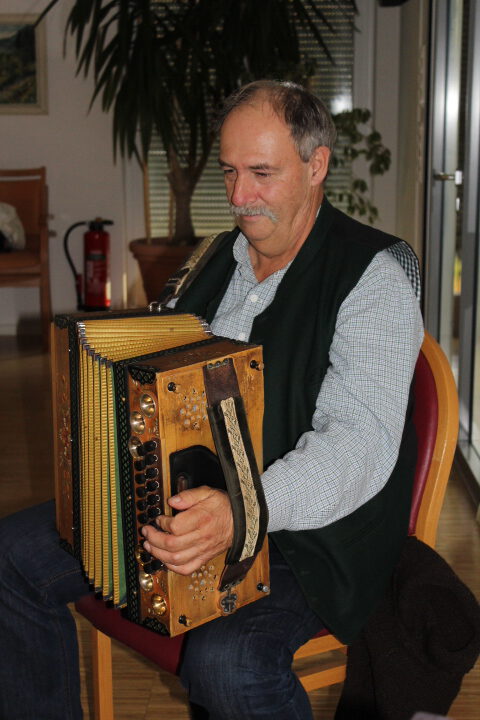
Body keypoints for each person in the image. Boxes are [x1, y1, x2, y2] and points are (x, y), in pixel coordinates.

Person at [0, 80, 423, 720]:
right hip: (188, 501)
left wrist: (240, 512)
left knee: (228, 663)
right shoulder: (214, 258)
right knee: (9, 561)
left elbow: (357, 448)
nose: (239, 197)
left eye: (261, 173)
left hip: (308, 538)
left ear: (317, 166)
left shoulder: (375, 277)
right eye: (229, 172)